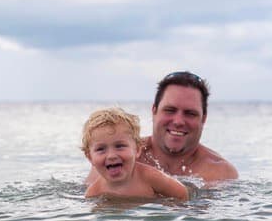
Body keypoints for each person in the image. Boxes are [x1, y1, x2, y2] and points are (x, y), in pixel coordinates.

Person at [86, 71, 237, 186]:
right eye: (170, 110)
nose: (178, 121)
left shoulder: (221, 173)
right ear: (154, 111)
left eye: (190, 113)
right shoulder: (119, 160)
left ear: (203, 119)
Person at [81, 107, 189, 201]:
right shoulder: (94, 193)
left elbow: (182, 193)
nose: (111, 155)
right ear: (90, 157)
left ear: (137, 150)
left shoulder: (150, 177)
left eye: (119, 146)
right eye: (101, 149)